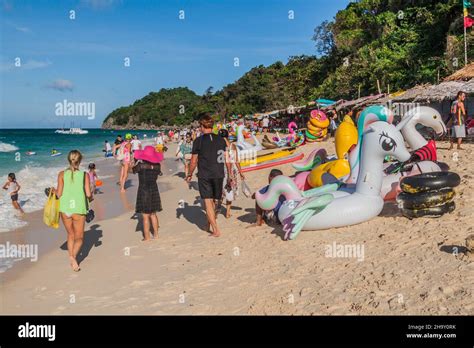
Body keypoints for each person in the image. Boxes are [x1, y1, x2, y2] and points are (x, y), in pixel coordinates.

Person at [186, 115, 233, 237]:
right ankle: (208, 224)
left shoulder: (198, 141)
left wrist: (189, 174)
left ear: (202, 126)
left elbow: (193, 161)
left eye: (200, 126)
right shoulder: (221, 140)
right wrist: (230, 175)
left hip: (205, 175)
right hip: (219, 174)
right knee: (213, 201)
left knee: (207, 202)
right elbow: (226, 159)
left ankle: (216, 230)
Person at [55, 150, 92, 272]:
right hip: (78, 209)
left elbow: (58, 194)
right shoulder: (84, 175)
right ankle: (73, 258)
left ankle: (72, 257)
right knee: (79, 237)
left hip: (65, 209)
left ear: (68, 160)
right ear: (80, 161)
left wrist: (51, 191)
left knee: (70, 235)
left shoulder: (61, 174)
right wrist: (91, 197)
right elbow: (88, 194)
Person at [133, 146, 163, 241]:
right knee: (153, 214)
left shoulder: (140, 166)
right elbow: (157, 174)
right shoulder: (158, 166)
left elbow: (131, 170)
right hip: (154, 189)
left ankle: (147, 237)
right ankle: (156, 235)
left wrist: (134, 162)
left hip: (143, 189)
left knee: (145, 216)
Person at [218, 128, 245, 218]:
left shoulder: (218, 146)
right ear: (227, 136)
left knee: (221, 190)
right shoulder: (232, 146)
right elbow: (236, 160)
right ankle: (228, 212)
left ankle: (217, 209)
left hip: (221, 170)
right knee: (229, 189)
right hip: (231, 171)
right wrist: (241, 172)